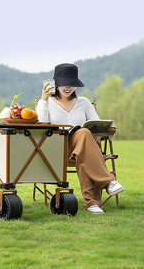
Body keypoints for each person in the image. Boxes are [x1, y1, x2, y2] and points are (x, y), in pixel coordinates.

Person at [36, 63, 125, 214]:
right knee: (84, 136)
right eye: (64, 83)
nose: (68, 87)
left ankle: (91, 204)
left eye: (72, 84)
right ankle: (108, 182)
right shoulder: (47, 103)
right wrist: (44, 101)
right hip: (57, 148)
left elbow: (96, 127)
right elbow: (40, 129)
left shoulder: (83, 102)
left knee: (83, 142)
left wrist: (109, 130)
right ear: (55, 84)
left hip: (82, 147)